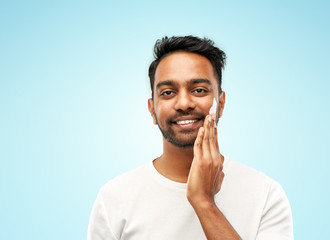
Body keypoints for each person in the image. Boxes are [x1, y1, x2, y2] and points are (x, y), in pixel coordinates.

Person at [87, 36, 293, 240]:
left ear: (221, 102)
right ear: (152, 110)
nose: (184, 103)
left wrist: (204, 202)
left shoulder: (265, 194)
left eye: (199, 90)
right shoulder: (114, 198)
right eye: (168, 92)